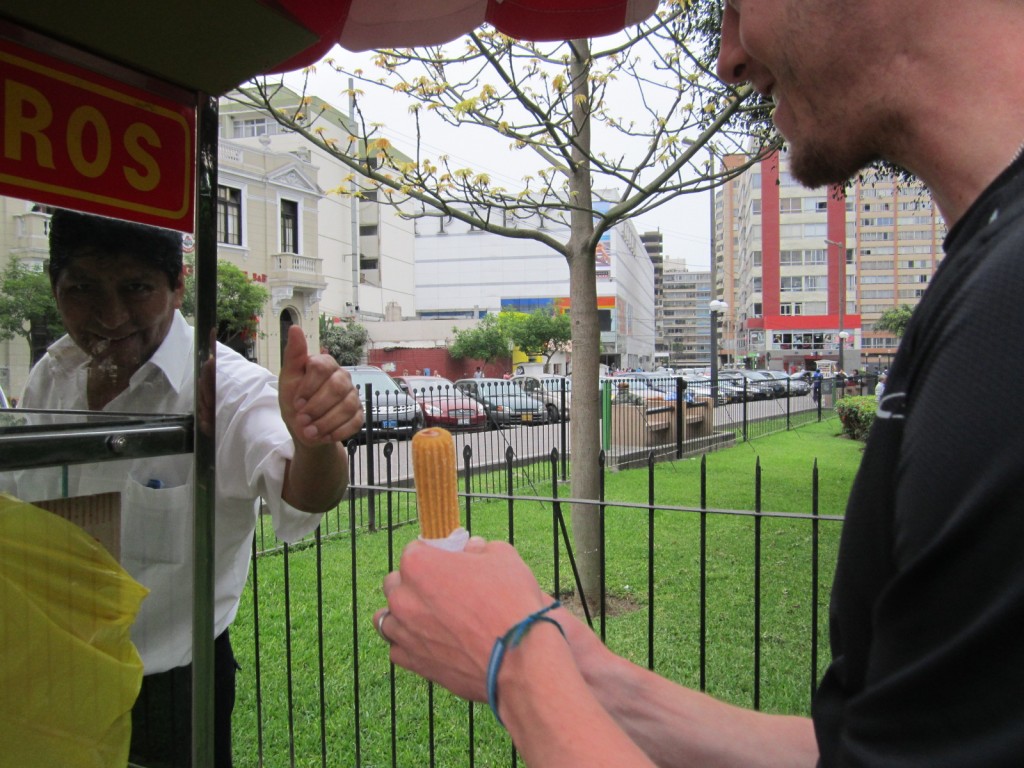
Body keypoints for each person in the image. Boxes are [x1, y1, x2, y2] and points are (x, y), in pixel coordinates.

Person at [373, 2, 1024, 766]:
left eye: (739, 6)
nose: (728, 57)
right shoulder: (984, 278)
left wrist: (514, 660)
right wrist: (591, 672)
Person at [6, 209, 363, 767]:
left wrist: (317, 437)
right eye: (83, 289)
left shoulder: (229, 388)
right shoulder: (53, 372)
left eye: (136, 287)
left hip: (169, 691)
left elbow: (305, 492)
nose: (109, 314)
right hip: (46, 671)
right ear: (55, 288)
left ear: (177, 287)